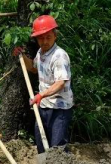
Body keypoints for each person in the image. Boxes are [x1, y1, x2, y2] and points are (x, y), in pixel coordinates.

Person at [14, 15, 74, 153]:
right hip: (44, 106)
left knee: (57, 147)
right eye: (41, 38)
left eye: (48, 37)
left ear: (55, 36)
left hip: (59, 108)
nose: (45, 41)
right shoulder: (41, 53)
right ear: (36, 38)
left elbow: (60, 83)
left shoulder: (59, 56)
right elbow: (33, 68)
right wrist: (22, 56)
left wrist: (41, 95)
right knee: (41, 143)